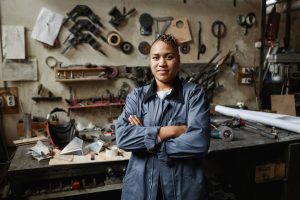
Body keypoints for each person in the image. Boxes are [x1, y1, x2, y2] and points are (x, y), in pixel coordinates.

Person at [116, 34, 211, 200]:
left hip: (184, 189)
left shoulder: (194, 94)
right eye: (156, 57)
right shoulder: (136, 97)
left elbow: (199, 142)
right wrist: (173, 130)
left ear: (178, 60)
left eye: (169, 57)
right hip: (140, 188)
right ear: (150, 61)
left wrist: (148, 140)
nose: (162, 63)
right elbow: (123, 138)